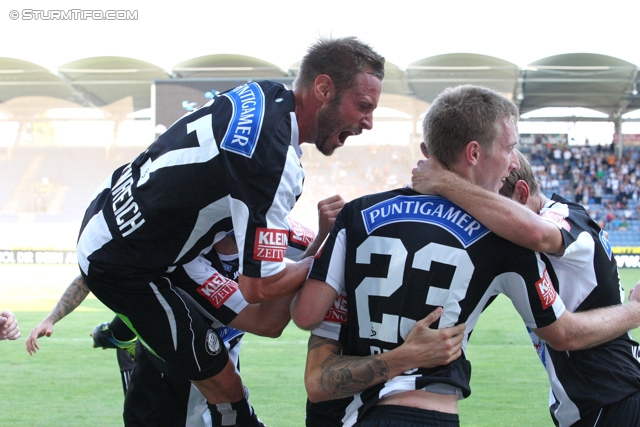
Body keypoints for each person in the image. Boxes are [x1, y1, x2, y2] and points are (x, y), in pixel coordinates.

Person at [75, 36, 383, 425]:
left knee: (220, 386)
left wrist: (318, 243)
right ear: (322, 89)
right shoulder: (271, 162)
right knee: (230, 397)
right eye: (364, 106)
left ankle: (134, 342)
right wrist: (328, 261)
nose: (368, 122)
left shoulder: (263, 94)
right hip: (127, 266)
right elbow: (259, 290)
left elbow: (266, 313)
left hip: (108, 215)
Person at [290, 84, 640, 427]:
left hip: (355, 412)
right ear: (474, 153)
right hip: (434, 410)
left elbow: (305, 315)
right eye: (509, 148)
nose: (513, 161)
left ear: (429, 149)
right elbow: (562, 331)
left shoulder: (358, 212)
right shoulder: (501, 238)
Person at [28, 200, 342, 426]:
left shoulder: (278, 233)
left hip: (223, 354)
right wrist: (52, 316)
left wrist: (326, 234)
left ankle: (120, 335)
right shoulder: (188, 250)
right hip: (169, 367)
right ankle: (122, 336)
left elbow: (318, 259)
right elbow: (265, 319)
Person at [411, 148, 640, 426]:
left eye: (489, 205)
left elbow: (539, 233)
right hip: (589, 402)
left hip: (612, 397)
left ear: (521, 193)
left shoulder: (565, 217)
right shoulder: (514, 251)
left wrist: (445, 182)